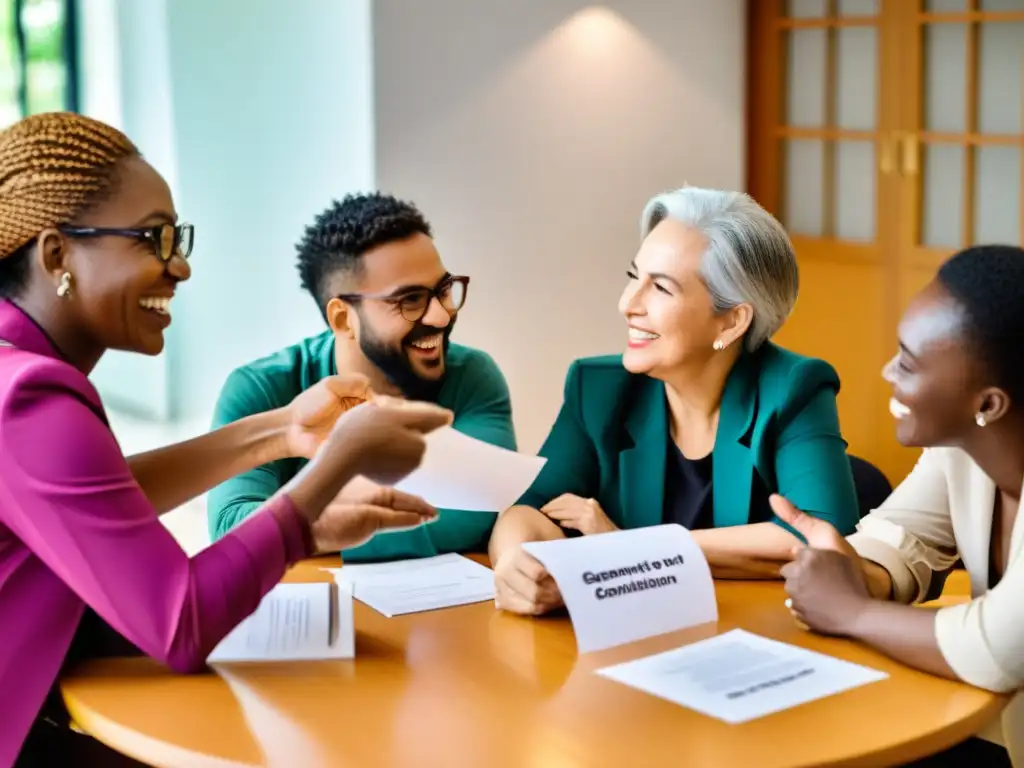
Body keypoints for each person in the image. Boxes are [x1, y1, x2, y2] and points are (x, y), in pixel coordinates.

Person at [0, 112, 452, 767]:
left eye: (177, 237)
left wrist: (280, 432)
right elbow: (179, 625)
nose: (179, 266)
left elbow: (88, 509)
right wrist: (320, 489)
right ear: (57, 255)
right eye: (152, 239)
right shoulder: (29, 397)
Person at [490, 186, 860, 615]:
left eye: (661, 289)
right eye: (634, 278)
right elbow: (527, 510)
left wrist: (629, 548)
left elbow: (822, 537)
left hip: (753, 637)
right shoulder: (597, 388)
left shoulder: (794, 387)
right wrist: (518, 562)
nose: (628, 304)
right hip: (631, 636)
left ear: (731, 321)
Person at [777, 244, 1024, 767]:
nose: (888, 372)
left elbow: (996, 647)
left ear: (988, 403)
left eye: (909, 364)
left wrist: (850, 609)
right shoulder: (962, 449)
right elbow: (904, 536)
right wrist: (854, 568)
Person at [207, 193, 516, 561]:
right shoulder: (261, 388)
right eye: (411, 300)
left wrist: (303, 532)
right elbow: (233, 529)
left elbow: (479, 507)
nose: (441, 316)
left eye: (444, 290)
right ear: (342, 318)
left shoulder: (473, 375)